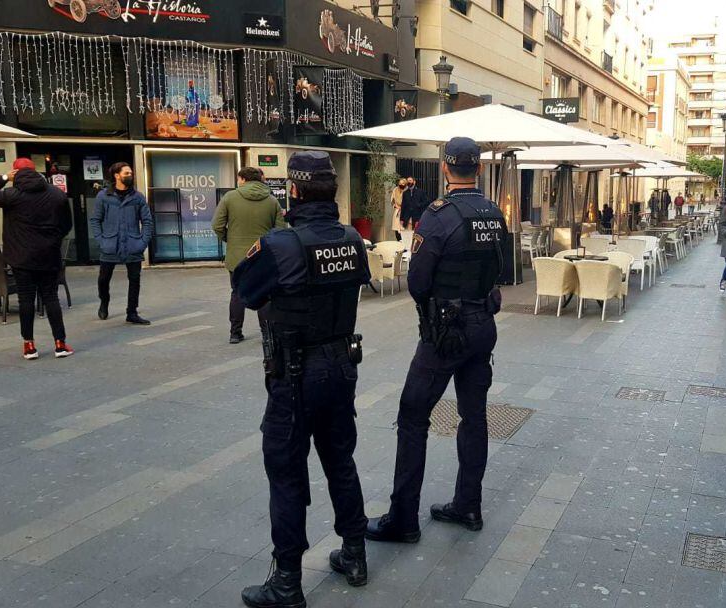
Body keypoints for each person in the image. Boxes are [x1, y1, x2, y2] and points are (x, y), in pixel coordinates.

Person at [233, 151, 371, 608]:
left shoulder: (280, 245)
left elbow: (245, 289)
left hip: (295, 374)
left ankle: (287, 582)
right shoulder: (351, 239)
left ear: (293, 190)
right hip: (341, 367)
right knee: (340, 461)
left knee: (287, 472)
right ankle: (354, 553)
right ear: (332, 191)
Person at [367, 137, 507, 544]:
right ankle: (468, 505)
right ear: (477, 168)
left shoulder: (438, 215)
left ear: (446, 168)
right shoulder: (493, 212)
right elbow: (499, 266)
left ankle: (403, 518)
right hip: (483, 325)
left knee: (413, 417)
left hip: (445, 331)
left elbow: (417, 281)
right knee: (473, 416)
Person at [0, 158, 74, 360]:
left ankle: (29, 345)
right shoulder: (56, 194)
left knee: (26, 300)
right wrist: (53, 240)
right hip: (49, 255)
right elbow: (66, 224)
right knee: (51, 298)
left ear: (15, 173)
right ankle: (60, 343)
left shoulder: (11, 195)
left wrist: (3, 178)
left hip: (21, 258)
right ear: (36, 172)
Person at [212, 167, 284, 344]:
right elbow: (281, 230)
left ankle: (235, 333)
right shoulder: (272, 201)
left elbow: (217, 225)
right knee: (265, 294)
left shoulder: (229, 197)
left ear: (242, 179)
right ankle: (267, 334)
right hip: (263, 256)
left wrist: (230, 240)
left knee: (237, 292)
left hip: (236, 257)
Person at [91, 162, 153, 325]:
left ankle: (131, 312)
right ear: (116, 176)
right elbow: (95, 220)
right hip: (110, 245)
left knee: (134, 280)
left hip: (133, 244)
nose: (130, 176)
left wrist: (142, 242)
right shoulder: (104, 196)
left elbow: (147, 221)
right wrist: (101, 241)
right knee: (103, 279)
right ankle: (104, 302)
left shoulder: (137, 197)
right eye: (126, 173)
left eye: (130, 173)